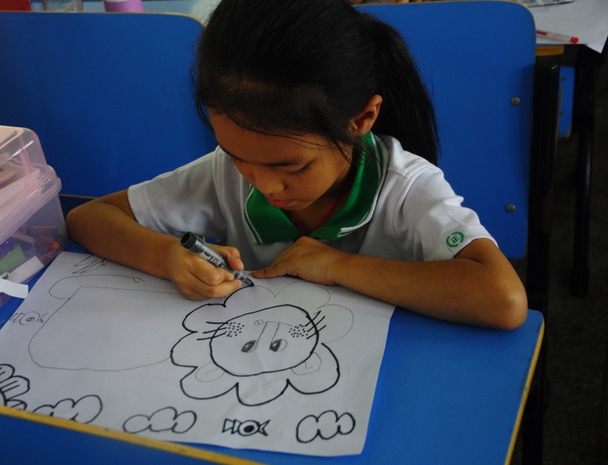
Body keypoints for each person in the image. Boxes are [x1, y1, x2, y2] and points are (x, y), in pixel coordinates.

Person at [66, 0, 527, 329]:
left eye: (293, 168)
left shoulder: (406, 188)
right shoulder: (224, 175)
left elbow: (502, 299)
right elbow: (89, 218)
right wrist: (168, 256)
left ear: (361, 119)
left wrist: (336, 266)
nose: (264, 186)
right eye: (238, 156)